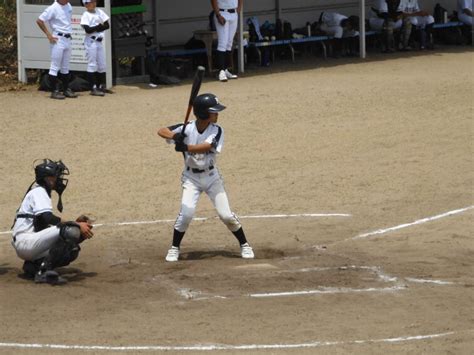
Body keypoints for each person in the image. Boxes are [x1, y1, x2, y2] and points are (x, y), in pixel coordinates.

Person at [157, 93, 254, 262]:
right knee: (185, 215)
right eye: (214, 112)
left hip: (212, 177)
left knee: (226, 216)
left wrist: (185, 146)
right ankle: (174, 248)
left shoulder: (217, 130)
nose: (217, 114)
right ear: (203, 114)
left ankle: (245, 245)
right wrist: (175, 136)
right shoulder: (186, 128)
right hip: (190, 179)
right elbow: (161, 130)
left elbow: (207, 146)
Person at [11, 159, 94, 285]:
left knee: (72, 249)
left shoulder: (38, 193)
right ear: (48, 178)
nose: (59, 180)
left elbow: (44, 225)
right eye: (56, 176)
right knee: (71, 231)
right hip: (26, 243)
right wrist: (75, 224)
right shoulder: (39, 192)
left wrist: (74, 224)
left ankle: (33, 267)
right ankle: (43, 272)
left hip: (29, 243)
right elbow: (47, 218)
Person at [36, 0, 78, 100]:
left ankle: (66, 89)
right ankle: (54, 91)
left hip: (67, 38)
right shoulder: (52, 8)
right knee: (55, 66)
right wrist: (48, 35)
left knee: (65, 67)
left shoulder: (68, 5)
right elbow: (39, 20)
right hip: (58, 38)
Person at [81, 0, 110, 96]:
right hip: (91, 41)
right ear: (86, 4)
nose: (94, 3)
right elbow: (88, 30)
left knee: (102, 64)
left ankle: (101, 86)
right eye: (91, 2)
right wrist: (98, 26)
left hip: (99, 41)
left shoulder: (99, 11)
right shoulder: (85, 14)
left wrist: (96, 27)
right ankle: (93, 88)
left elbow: (107, 26)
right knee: (92, 64)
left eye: (94, 1)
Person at [210, 0, 242, 82]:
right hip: (222, 12)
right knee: (222, 43)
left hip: (233, 13)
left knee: (229, 43)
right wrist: (218, 15)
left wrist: (238, 9)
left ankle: (226, 70)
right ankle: (221, 71)